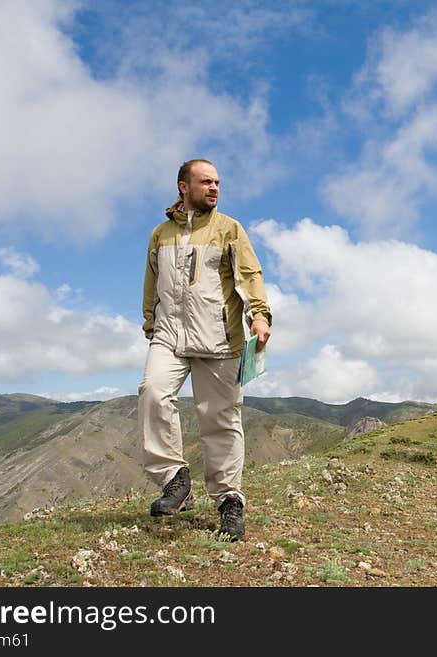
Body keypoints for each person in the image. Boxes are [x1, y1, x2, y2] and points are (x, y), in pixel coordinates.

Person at [137, 159, 272, 541]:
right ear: (183, 186)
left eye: (217, 182)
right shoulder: (160, 234)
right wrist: (152, 323)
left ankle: (229, 501)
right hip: (168, 336)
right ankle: (174, 479)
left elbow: (250, 276)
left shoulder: (229, 229)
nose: (214, 188)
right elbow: (152, 281)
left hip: (218, 338)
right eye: (205, 181)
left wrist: (259, 317)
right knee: (153, 392)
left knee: (221, 421)